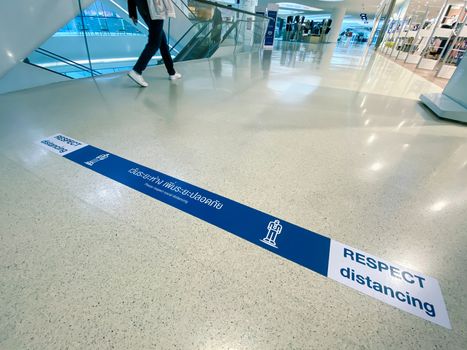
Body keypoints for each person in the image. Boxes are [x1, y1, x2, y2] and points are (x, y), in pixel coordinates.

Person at [127, 0, 182, 87]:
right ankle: (137, 70)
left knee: (162, 41)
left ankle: (172, 72)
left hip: (144, 7)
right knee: (154, 42)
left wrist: (133, 12)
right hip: (154, 7)